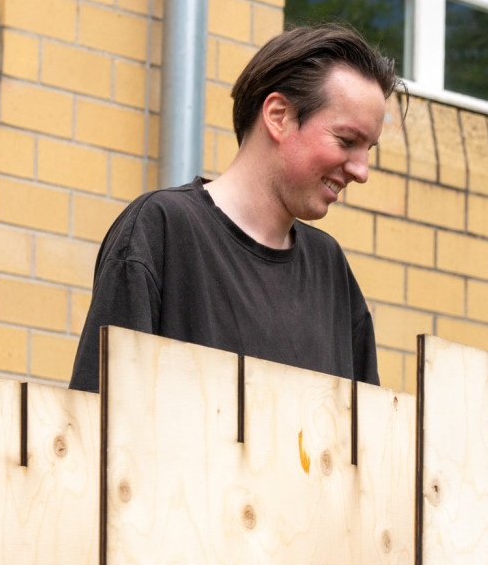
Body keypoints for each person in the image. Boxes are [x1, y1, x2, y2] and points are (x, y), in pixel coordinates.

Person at [70, 24, 398, 392]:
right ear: (278, 116)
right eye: (347, 140)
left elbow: (365, 425)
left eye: (367, 150)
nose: (361, 172)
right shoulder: (162, 229)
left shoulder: (330, 267)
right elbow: (98, 414)